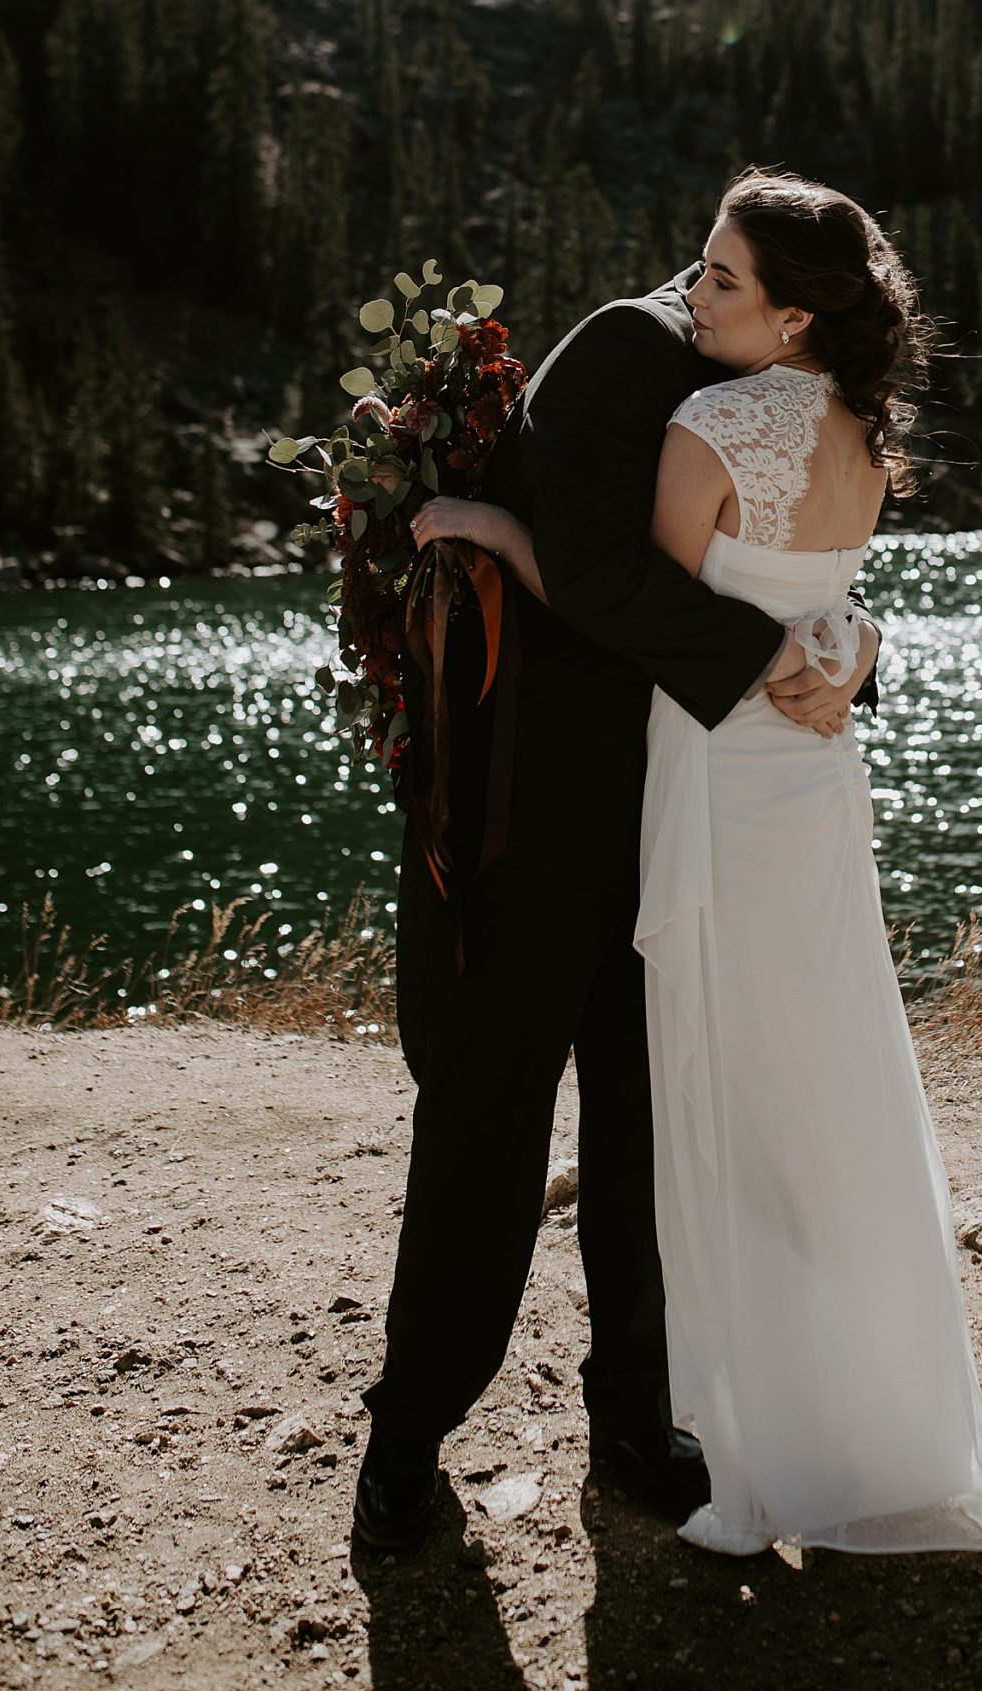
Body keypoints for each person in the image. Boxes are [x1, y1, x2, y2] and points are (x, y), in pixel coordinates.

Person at [444, 170, 982, 1560]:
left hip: (710, 786)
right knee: (827, 1087)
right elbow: (821, 602)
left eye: (719, 283)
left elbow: (620, 600)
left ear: (795, 315)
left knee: (709, 1100)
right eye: (700, 268)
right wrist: (853, 651)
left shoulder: (707, 423)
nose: (688, 299)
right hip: (817, 792)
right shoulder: (866, 438)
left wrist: (499, 527)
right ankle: (879, 1426)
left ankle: (750, 1455)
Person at [352, 239, 880, 1551]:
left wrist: (858, 643)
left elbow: (787, 549)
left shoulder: (764, 386)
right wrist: (778, 655)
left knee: (649, 1136)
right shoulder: (624, 354)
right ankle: (403, 1449)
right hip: (524, 825)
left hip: (667, 824)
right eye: (716, 272)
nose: (714, 295)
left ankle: (638, 1423)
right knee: (487, 1137)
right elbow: (591, 580)